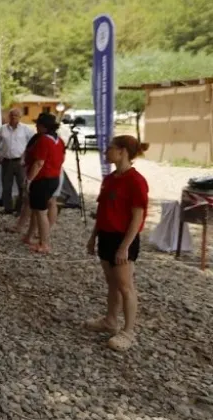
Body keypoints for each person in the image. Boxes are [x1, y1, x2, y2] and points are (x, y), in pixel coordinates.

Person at [85, 135, 149, 352]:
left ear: (122, 152)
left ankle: (129, 331)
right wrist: (94, 236)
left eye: (110, 148)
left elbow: (137, 217)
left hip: (123, 239)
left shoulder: (136, 181)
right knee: (112, 282)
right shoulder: (110, 178)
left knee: (125, 286)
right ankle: (110, 320)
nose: (106, 152)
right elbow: (103, 211)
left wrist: (125, 246)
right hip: (106, 235)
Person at [22, 113, 65, 254]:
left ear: (43, 126)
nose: (36, 126)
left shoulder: (43, 141)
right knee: (36, 209)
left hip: (42, 179)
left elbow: (39, 162)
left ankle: (44, 243)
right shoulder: (60, 141)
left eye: (38, 124)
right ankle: (29, 236)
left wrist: (29, 179)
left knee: (41, 212)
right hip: (53, 178)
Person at [0, 108, 35, 214]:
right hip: (7, 161)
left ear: (20, 117)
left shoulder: (25, 129)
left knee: (22, 186)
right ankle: (7, 208)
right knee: (6, 186)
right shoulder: (2, 129)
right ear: (9, 116)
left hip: (21, 162)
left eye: (16, 115)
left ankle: (19, 209)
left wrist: (27, 157)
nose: (13, 117)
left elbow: (33, 143)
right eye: (12, 115)